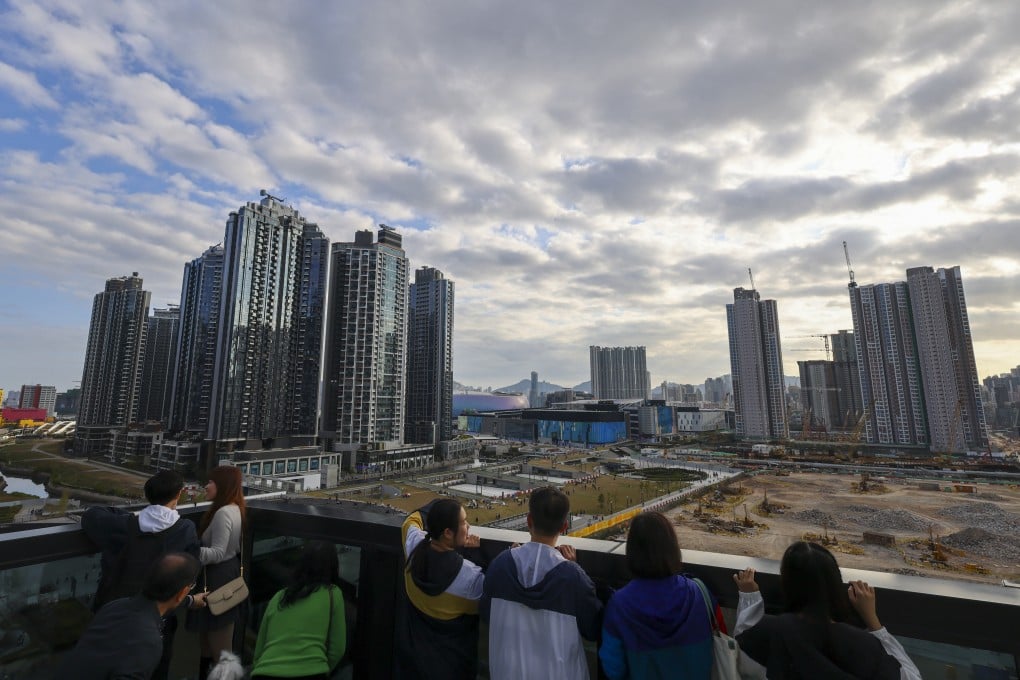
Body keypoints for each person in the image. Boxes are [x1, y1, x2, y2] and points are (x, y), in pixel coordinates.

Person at [734, 541, 922, 680]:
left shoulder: (771, 632)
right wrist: (873, 621)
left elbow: (743, 655)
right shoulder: (863, 645)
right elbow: (912, 677)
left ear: (786, 585)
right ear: (835, 584)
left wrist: (749, 597)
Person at [82, 470, 201, 680]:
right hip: (157, 622)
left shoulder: (124, 526)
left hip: (113, 617)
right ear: (179, 494)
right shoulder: (185, 530)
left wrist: (124, 515)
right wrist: (190, 600)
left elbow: (92, 515)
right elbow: (190, 575)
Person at [480, 486, 602, 680]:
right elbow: (593, 628)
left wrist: (508, 555)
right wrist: (575, 569)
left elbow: (487, 614)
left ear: (529, 520)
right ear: (564, 527)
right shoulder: (573, 577)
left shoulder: (500, 565)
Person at [599, 512, 727, 680]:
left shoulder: (619, 605)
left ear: (632, 552)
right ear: (673, 549)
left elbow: (613, 669)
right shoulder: (700, 593)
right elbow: (721, 640)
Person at [54, 552, 203, 680]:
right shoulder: (148, 641)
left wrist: (189, 601)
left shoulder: (115, 607)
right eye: (191, 586)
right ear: (182, 592)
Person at [395, 498, 484, 679]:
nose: (468, 526)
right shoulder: (469, 579)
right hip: (451, 667)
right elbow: (490, 600)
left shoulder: (414, 549)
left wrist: (440, 505)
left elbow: (411, 521)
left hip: (413, 664)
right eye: (463, 522)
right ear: (448, 533)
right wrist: (474, 555)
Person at [251, 541, 347, 680]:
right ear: (332, 565)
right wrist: (321, 668)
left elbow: (259, 651)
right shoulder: (332, 593)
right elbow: (338, 649)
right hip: (311, 672)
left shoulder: (279, 597)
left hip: (265, 673)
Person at [187, 466, 246, 680]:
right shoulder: (234, 508)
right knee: (211, 646)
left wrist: (189, 550)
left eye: (211, 482)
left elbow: (219, 552)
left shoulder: (223, 512)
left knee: (219, 652)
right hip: (220, 576)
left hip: (219, 578)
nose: (206, 486)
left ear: (222, 486)